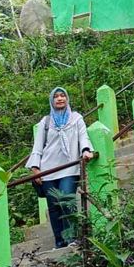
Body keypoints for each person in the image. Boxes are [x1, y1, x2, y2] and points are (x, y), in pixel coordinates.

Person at [27, 87, 95, 249]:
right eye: (56, 97)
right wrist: (35, 168)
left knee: (66, 199)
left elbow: (83, 136)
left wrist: (86, 150)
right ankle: (59, 242)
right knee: (54, 207)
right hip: (48, 170)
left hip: (69, 169)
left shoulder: (76, 118)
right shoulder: (46, 122)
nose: (60, 99)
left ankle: (72, 238)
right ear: (52, 101)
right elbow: (38, 146)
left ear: (67, 98)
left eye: (62, 95)